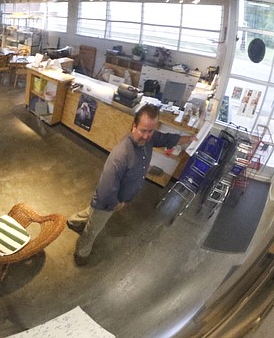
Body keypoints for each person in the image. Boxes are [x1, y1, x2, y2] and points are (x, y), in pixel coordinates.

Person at [67, 104, 193, 266]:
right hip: (108, 202)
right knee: (94, 228)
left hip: (112, 200)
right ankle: (81, 253)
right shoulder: (121, 155)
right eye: (143, 130)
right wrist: (117, 204)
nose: (147, 136)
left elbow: (165, 138)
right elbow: (107, 188)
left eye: (151, 131)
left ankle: (72, 221)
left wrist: (187, 139)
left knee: (92, 212)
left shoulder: (150, 138)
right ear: (134, 126)